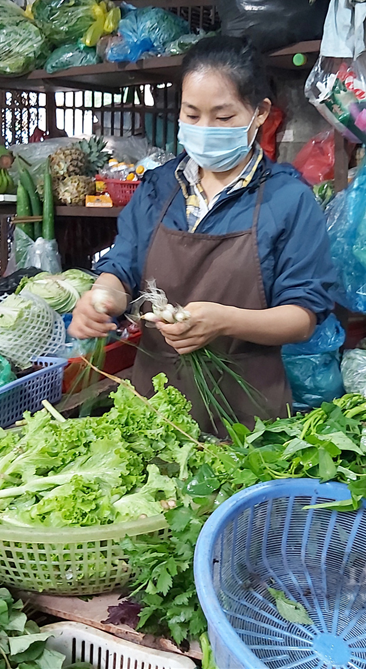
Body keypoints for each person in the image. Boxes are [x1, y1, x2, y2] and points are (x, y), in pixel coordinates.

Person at [69, 36, 336, 435]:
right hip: (155, 408)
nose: (204, 129)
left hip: (247, 414)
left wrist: (224, 321)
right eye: (191, 115)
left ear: (260, 112)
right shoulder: (159, 187)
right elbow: (123, 267)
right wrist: (103, 297)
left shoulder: (288, 198)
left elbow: (301, 318)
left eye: (223, 117)